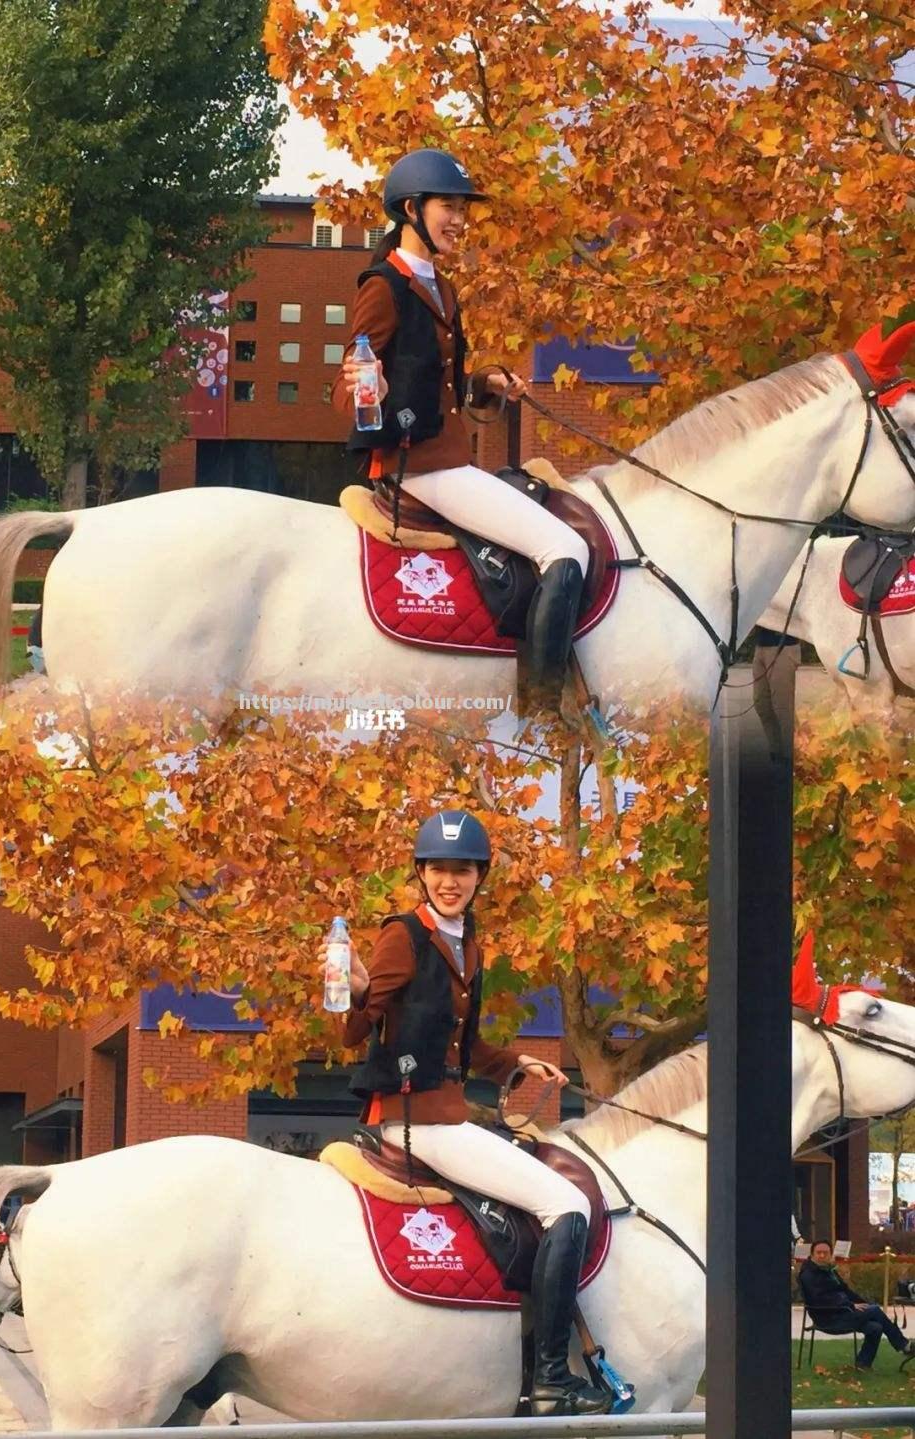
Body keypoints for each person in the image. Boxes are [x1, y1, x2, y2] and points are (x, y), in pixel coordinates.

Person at [334, 809, 611, 1417]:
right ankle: (550, 1384)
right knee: (566, 1204)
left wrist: (518, 1067)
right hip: (415, 1119)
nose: (449, 881)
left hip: (445, 1113)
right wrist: (354, 989)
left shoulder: (469, 947)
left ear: (479, 876)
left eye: (461, 871)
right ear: (422, 874)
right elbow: (358, 1030)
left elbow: (464, 1046)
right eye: (438, 870)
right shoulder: (403, 935)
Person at [333, 149, 591, 706]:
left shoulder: (442, 287)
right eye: (448, 207)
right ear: (410, 209)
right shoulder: (383, 285)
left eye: (462, 208)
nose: (459, 219)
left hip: (449, 458)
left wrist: (483, 383)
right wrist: (363, 389)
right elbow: (349, 381)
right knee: (565, 548)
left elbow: (436, 383)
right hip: (419, 467)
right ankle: (543, 706)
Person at [799, 1239, 915, 1370]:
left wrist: (863, 1304)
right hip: (827, 1318)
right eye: (818, 1253)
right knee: (875, 1310)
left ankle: (863, 1364)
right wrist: (850, 1305)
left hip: (843, 1313)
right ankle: (903, 1345)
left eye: (825, 1253)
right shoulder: (808, 1274)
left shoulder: (829, 1271)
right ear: (812, 1254)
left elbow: (846, 1291)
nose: (821, 1256)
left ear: (830, 1254)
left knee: (875, 1327)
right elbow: (821, 1299)